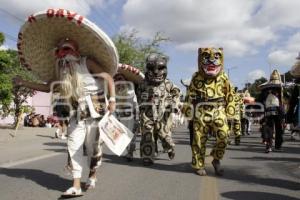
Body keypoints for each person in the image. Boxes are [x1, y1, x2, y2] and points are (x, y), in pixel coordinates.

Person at [14, 8, 118, 197]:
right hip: (74, 114)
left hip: (96, 112)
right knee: (73, 146)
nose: (64, 53)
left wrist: (112, 99)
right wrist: (23, 82)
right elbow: (48, 87)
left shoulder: (87, 62)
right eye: (61, 50)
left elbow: (108, 78)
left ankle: (92, 174)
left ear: (75, 51)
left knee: (93, 149)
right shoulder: (60, 71)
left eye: (67, 49)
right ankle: (76, 185)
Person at [183, 47, 235, 176]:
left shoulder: (224, 77)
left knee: (224, 135)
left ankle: (216, 159)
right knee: (199, 139)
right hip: (201, 110)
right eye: (206, 57)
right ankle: (198, 165)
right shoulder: (196, 76)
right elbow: (189, 95)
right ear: (200, 59)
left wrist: (231, 113)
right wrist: (188, 114)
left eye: (216, 58)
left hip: (219, 109)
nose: (212, 61)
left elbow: (230, 95)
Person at [137, 53, 181, 166]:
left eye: (160, 68)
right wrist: (139, 104)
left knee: (164, 135)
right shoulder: (143, 83)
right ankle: (148, 156)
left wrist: (174, 105)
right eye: (152, 69)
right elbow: (138, 96)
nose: (156, 72)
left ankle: (170, 148)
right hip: (147, 113)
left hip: (164, 114)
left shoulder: (168, 84)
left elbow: (177, 93)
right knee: (147, 134)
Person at [113, 64, 143, 161]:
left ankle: (130, 153)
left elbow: (135, 104)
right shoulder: (114, 92)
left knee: (131, 137)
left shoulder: (131, 90)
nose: (118, 81)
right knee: (123, 137)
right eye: (116, 79)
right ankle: (128, 151)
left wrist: (137, 118)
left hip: (131, 117)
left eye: (120, 78)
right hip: (120, 118)